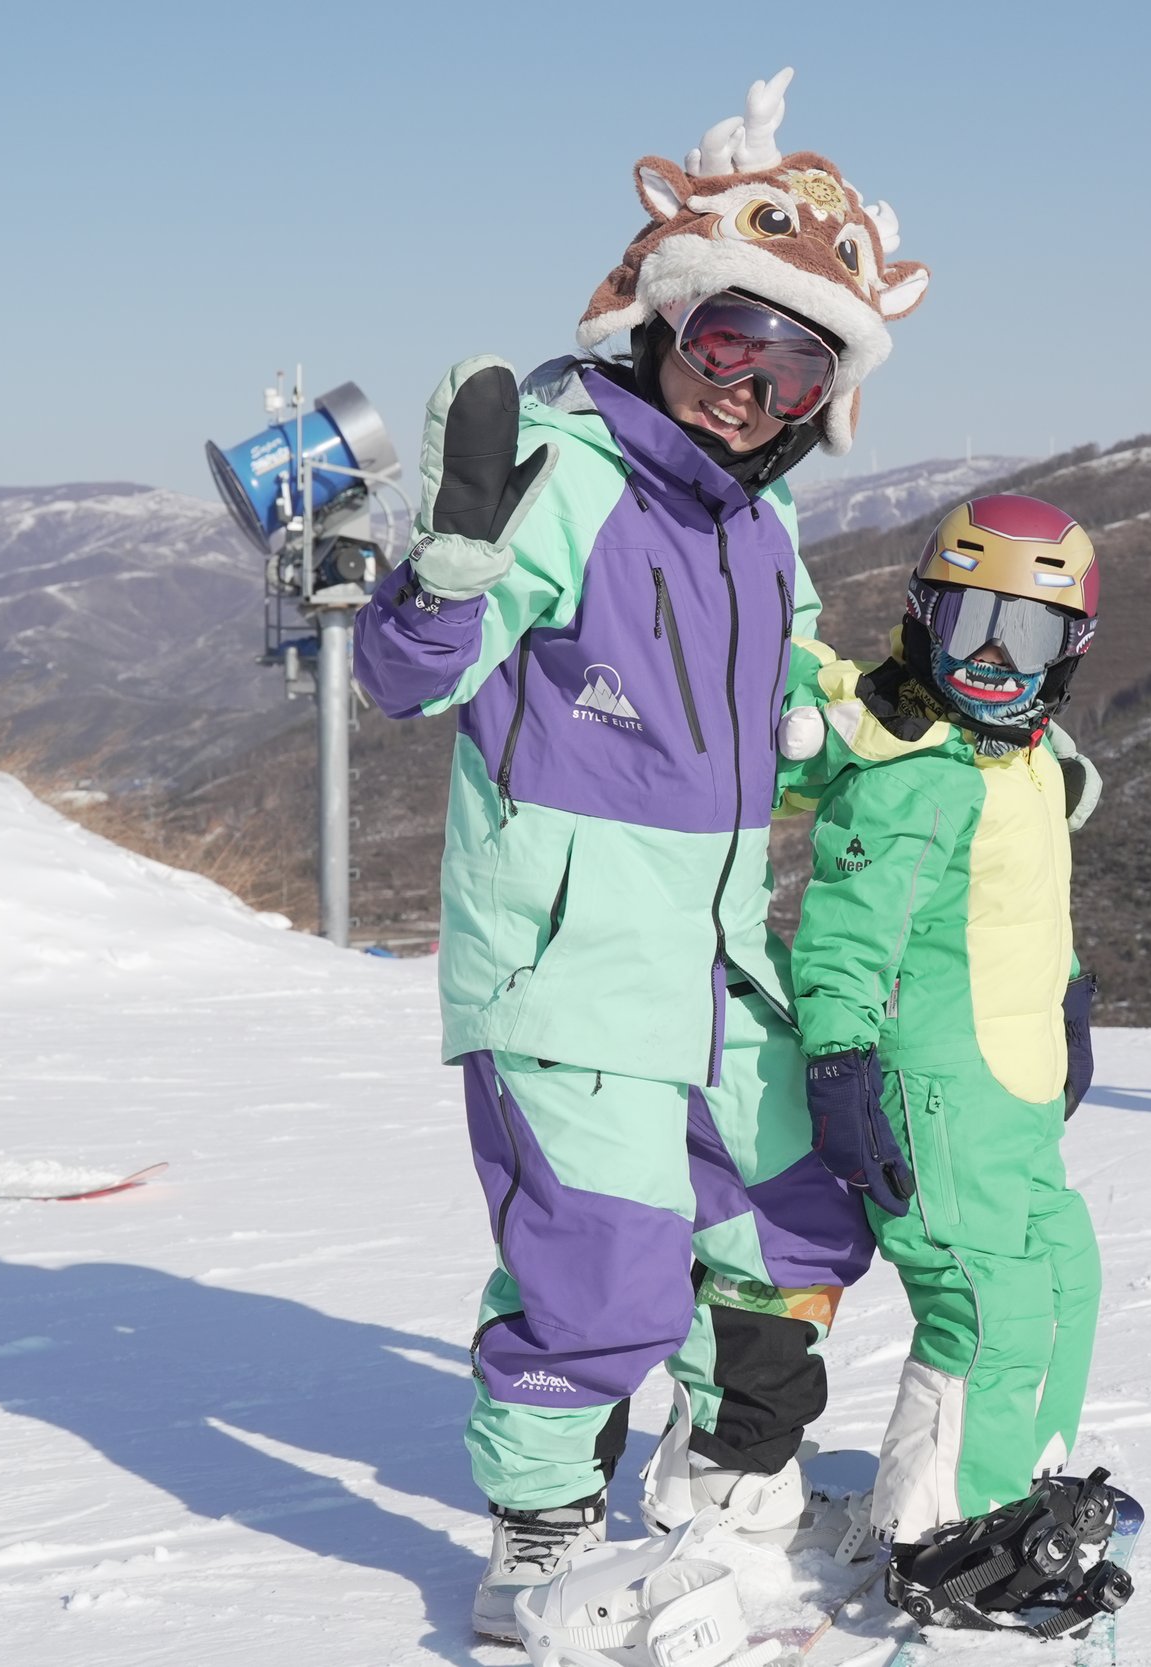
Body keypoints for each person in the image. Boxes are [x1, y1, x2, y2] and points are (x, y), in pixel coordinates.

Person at [346, 69, 932, 1640]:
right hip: (572, 959)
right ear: (666, 323)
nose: (753, 387)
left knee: (804, 1217)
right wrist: (445, 571)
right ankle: (538, 1542)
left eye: (798, 366)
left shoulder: (758, 526)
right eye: (732, 339)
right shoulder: (566, 469)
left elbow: (794, 695)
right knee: (600, 1275)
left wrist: (890, 728)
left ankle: (727, 1490)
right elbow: (409, 681)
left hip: (720, 952)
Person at [789, 494, 1134, 1637]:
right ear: (919, 621)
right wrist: (838, 1063)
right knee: (983, 1309)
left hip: (1014, 1086)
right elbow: (844, 931)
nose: (991, 656)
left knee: (1062, 1273)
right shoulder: (917, 772)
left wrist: (1072, 992)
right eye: (967, 622)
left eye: (1023, 633)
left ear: (1067, 652)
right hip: (933, 1088)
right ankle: (944, 1543)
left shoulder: (1030, 761)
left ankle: (1020, 1491)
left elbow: (1033, 899)